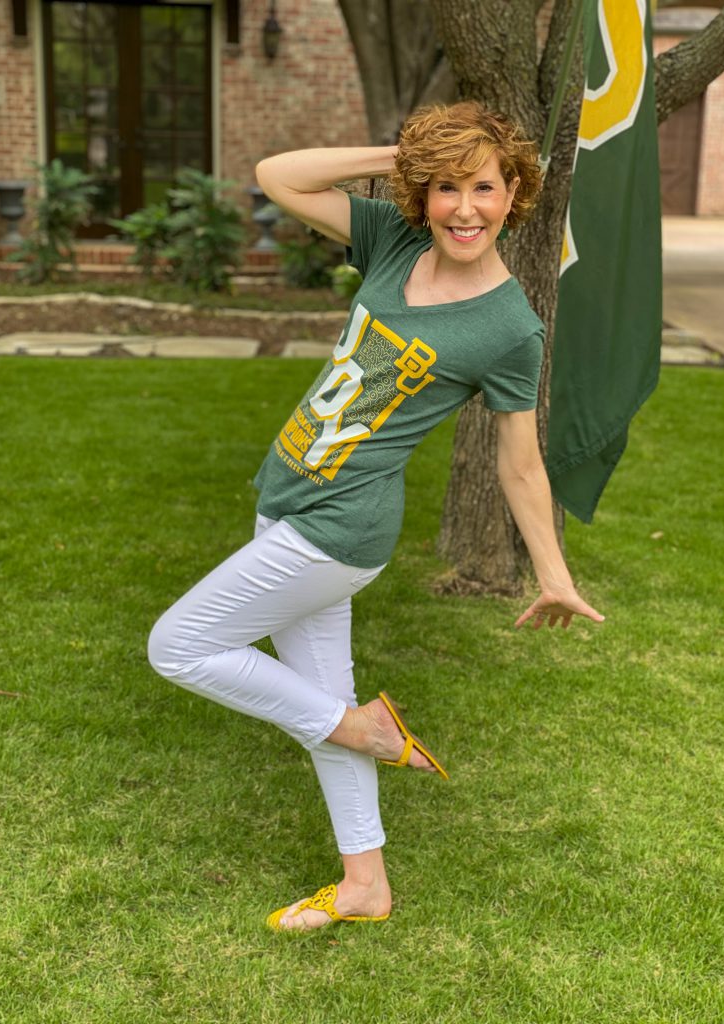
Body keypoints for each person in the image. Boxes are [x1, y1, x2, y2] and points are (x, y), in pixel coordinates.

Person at [148, 101, 604, 933]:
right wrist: (405, 155)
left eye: (483, 187)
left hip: (338, 530)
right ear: (418, 195)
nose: (464, 208)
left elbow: (520, 461)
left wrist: (554, 574)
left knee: (179, 645)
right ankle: (366, 885)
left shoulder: (509, 328)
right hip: (289, 498)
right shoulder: (392, 241)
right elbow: (277, 177)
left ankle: (366, 730)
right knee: (322, 701)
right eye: (443, 188)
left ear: (516, 196)